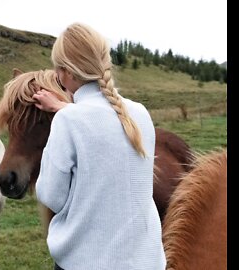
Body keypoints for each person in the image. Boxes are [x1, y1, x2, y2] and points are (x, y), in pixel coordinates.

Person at [32, 23, 166, 270]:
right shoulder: (141, 114)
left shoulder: (68, 121)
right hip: (147, 261)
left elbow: (52, 196)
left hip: (86, 262)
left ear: (66, 73)